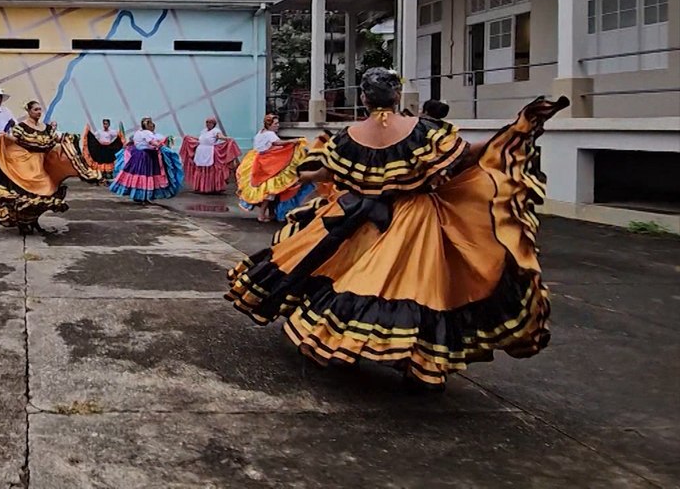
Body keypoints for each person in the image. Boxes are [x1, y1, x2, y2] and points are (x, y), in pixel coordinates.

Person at [225, 67, 568, 391]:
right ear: (398, 95)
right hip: (417, 218)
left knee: (354, 278)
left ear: (364, 98)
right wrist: (509, 136)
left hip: (358, 221)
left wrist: (306, 170)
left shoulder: (349, 137)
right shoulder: (424, 131)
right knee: (420, 287)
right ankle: (418, 365)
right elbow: (464, 157)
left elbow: (322, 172)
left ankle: (346, 346)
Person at [0, 100, 101, 235]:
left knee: (47, 191)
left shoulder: (46, 128)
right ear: (29, 111)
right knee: (26, 195)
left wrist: (71, 139)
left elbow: (56, 138)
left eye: (39, 109)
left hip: (41, 164)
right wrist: (0, 139)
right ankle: (24, 223)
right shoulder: (21, 127)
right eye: (35, 110)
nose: (38, 112)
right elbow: (12, 139)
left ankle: (33, 221)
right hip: (24, 165)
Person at [236, 114, 308, 222]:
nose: (277, 125)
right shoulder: (270, 134)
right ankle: (261, 215)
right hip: (266, 163)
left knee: (269, 190)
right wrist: (293, 141)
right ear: (269, 124)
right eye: (275, 123)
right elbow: (277, 143)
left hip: (257, 160)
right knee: (269, 190)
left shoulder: (260, 133)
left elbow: (271, 146)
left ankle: (270, 213)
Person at [109, 117, 184, 204]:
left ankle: (139, 196)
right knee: (146, 175)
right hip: (146, 156)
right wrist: (161, 146)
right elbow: (152, 142)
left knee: (137, 175)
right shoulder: (147, 133)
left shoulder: (138, 132)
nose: (152, 125)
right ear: (148, 125)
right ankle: (144, 197)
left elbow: (133, 141)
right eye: (151, 124)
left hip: (136, 155)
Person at [181, 117, 242, 194]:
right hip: (201, 152)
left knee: (211, 169)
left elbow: (220, 137)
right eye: (207, 122)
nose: (208, 124)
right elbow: (200, 139)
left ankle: (213, 188)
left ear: (213, 124)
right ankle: (201, 187)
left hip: (210, 151)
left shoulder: (216, 131)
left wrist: (228, 139)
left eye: (210, 122)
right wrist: (190, 137)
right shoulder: (203, 131)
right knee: (201, 169)